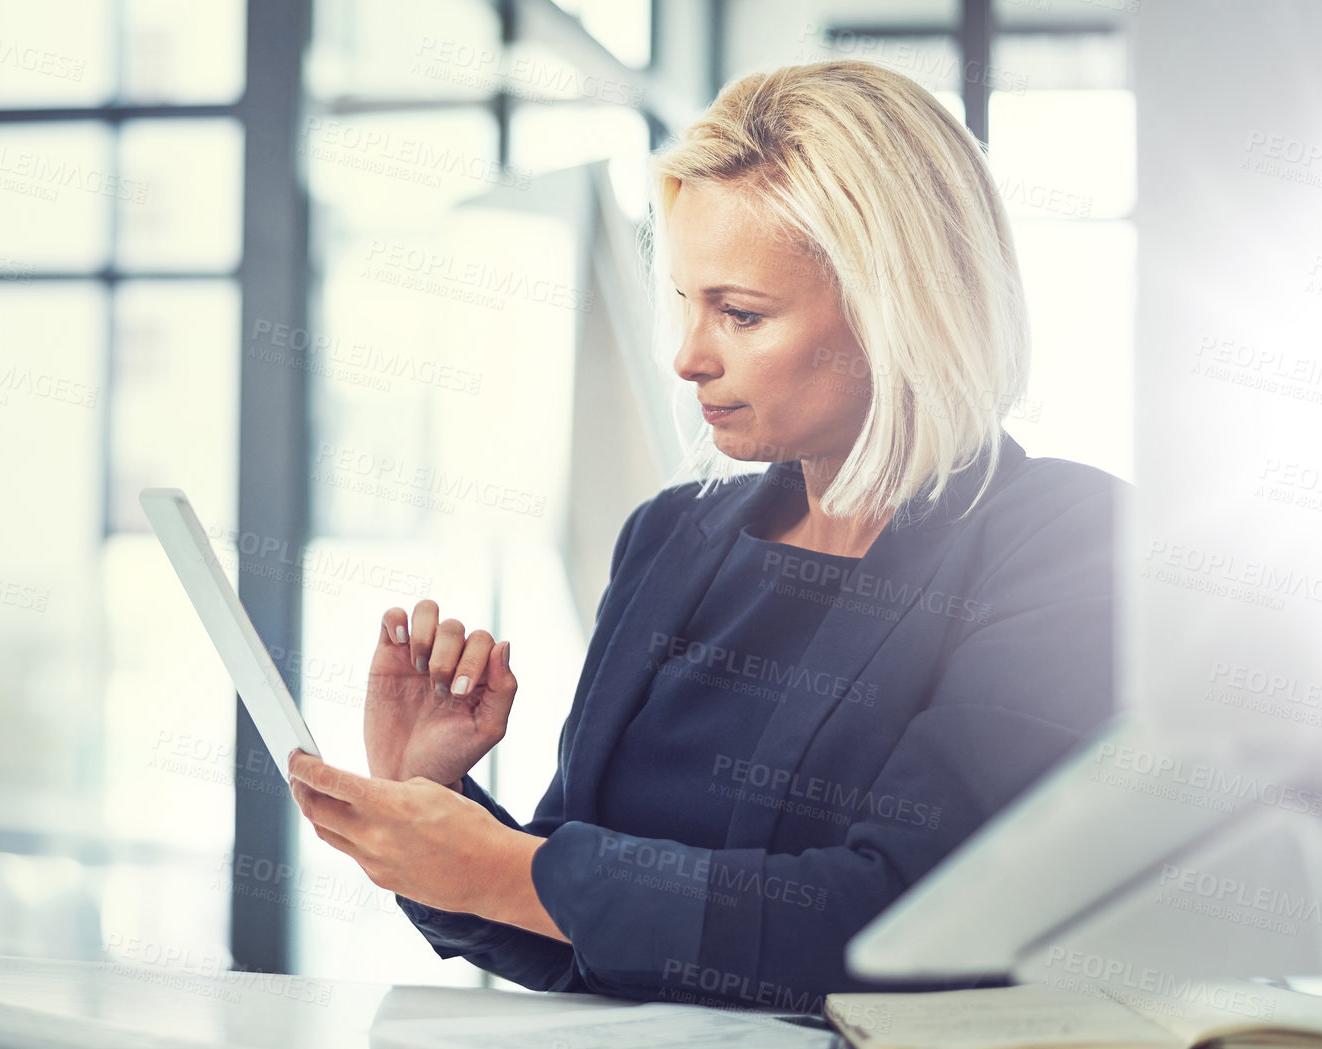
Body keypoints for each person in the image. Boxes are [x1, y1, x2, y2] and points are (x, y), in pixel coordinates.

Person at [285, 59, 1123, 1011]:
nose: (687, 356)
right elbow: (582, 951)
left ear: (901, 311)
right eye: (685, 301)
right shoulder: (670, 539)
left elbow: (904, 921)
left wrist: (509, 870)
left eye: (740, 312)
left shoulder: (1068, 544)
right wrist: (436, 802)